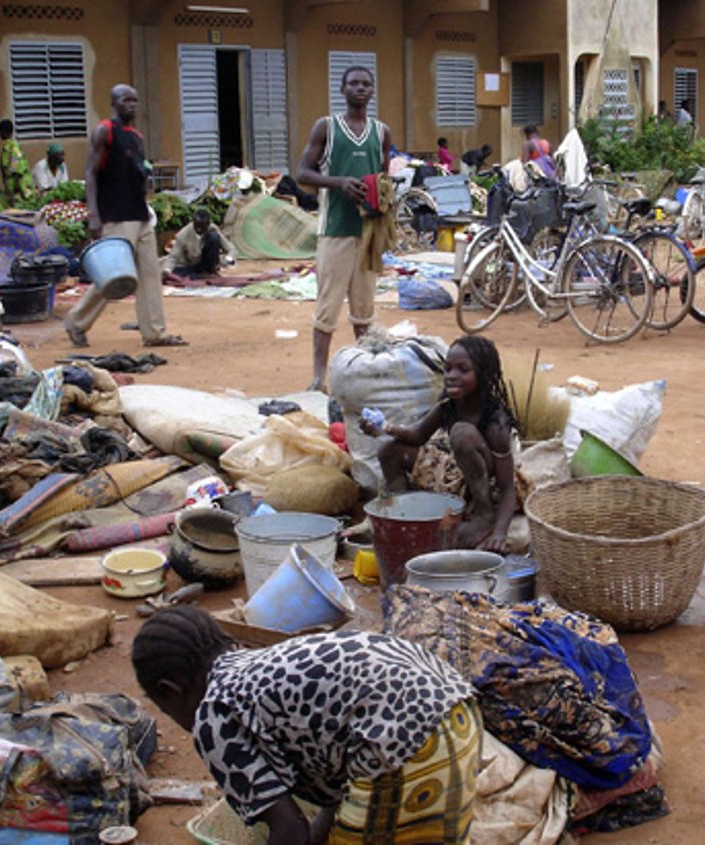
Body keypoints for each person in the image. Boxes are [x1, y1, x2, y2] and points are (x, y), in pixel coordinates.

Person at [131, 606, 481, 845]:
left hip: (406, 737)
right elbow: (335, 766)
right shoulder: (255, 668)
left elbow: (289, 830)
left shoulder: (213, 713)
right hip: (456, 710)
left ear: (170, 692)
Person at [364, 335, 519, 553]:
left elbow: (507, 488)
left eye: (463, 370)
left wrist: (499, 534)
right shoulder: (449, 405)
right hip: (457, 471)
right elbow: (417, 436)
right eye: (448, 369)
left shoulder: (495, 421)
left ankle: (483, 516)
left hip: (486, 484)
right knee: (389, 450)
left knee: (461, 433)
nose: (452, 376)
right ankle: (407, 512)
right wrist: (384, 428)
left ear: (483, 375)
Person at [65, 84, 186, 349]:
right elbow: (90, 173)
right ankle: (76, 321)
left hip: (140, 214)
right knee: (113, 276)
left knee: (150, 274)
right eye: (125, 100)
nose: (131, 105)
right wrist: (93, 215)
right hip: (116, 216)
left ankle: (154, 333)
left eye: (134, 100)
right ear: (114, 103)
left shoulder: (137, 137)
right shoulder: (105, 132)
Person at [296, 65, 390, 392]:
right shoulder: (327, 127)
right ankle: (319, 377)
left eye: (366, 84)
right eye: (354, 83)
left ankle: (361, 373)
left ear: (373, 90)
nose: (360, 89)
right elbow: (303, 173)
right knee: (327, 307)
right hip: (335, 228)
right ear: (342, 89)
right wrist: (339, 183)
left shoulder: (381, 132)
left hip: (367, 232)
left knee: (365, 310)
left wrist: (382, 207)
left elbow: (384, 179)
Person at [164, 208, 235, 278]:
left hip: (207, 263)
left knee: (214, 237)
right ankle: (200, 275)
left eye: (202, 226)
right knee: (179, 273)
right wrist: (167, 270)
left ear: (208, 224)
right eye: (196, 226)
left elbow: (230, 248)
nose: (198, 229)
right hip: (191, 265)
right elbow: (173, 257)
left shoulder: (213, 229)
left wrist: (228, 259)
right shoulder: (183, 234)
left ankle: (210, 271)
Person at [0, 119, 36, 207]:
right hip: (14, 191)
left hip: (20, 191)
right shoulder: (7, 148)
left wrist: (19, 194)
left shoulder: (13, 148)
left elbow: (17, 170)